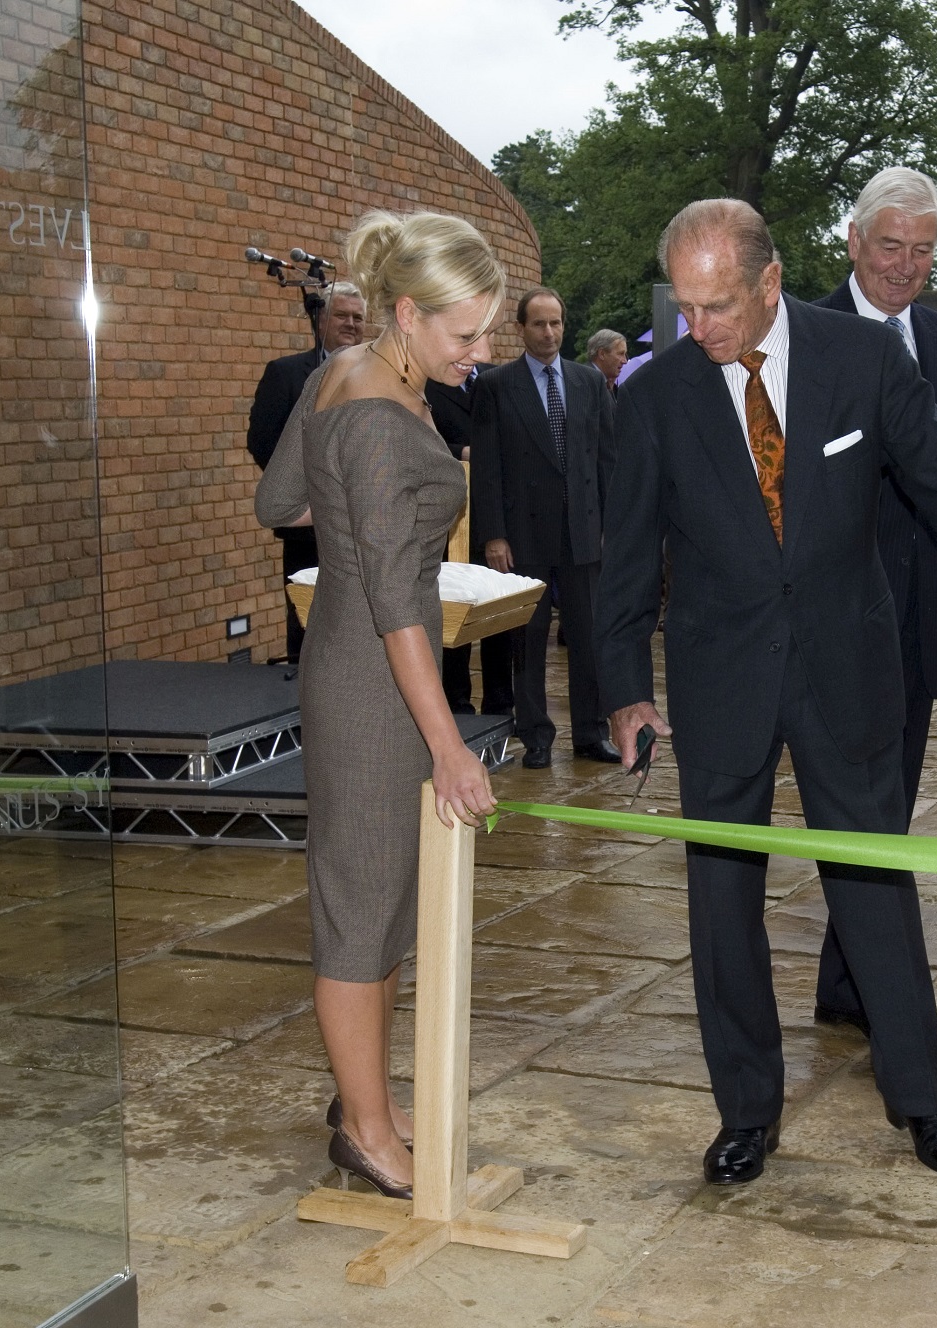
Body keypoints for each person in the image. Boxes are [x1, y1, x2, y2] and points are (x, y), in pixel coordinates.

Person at [596, 198, 937, 1185]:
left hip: (846, 666)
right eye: (683, 304)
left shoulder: (863, 360)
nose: (695, 326)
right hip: (719, 678)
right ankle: (747, 1109)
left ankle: (919, 1098)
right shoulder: (656, 392)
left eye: (715, 306)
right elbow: (622, 559)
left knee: (873, 882)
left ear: (766, 282)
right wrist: (624, 687)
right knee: (720, 905)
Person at [254, 210, 502, 1198]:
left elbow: (278, 502)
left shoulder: (352, 374)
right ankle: (362, 1128)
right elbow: (401, 600)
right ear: (405, 312)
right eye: (465, 335)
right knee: (360, 909)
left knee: (389, 898)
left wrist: (355, 504)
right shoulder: (375, 413)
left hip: (364, 662)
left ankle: (371, 1095)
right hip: (373, 682)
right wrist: (449, 745)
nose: (480, 353)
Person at [813, 164, 937, 1045]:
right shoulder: (802, 336)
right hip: (834, 611)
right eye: (891, 246)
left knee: (889, 800)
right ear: (854, 242)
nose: (905, 266)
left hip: (921, 610)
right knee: (857, 798)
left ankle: (846, 979)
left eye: (923, 252)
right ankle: (876, 985)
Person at [471, 287, 619, 768]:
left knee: (589, 636)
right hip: (522, 538)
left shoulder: (588, 383)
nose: (550, 332)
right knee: (527, 641)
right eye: (539, 324)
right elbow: (487, 467)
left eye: (556, 322)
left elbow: (606, 460)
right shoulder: (495, 386)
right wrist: (493, 534)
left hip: (583, 532)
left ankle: (591, 734)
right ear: (521, 328)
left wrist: (609, 525)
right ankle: (535, 735)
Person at [247, 281, 366, 661]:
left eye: (358, 318)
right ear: (320, 322)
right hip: (308, 528)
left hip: (367, 526)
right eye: (342, 316)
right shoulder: (285, 373)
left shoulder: (381, 374)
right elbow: (263, 440)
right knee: (310, 627)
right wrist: (309, 490)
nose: (351, 324)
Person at [428, 367, 516, 717]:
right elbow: (416, 437)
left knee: (499, 613)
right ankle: (456, 703)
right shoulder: (428, 381)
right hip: (451, 520)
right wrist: (460, 452)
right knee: (455, 611)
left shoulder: (497, 380)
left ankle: (499, 703)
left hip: (500, 518)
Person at [587, 328, 629, 395]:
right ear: (602, 354)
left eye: (625, 354)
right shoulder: (585, 382)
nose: (625, 361)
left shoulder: (611, 386)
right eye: (620, 354)